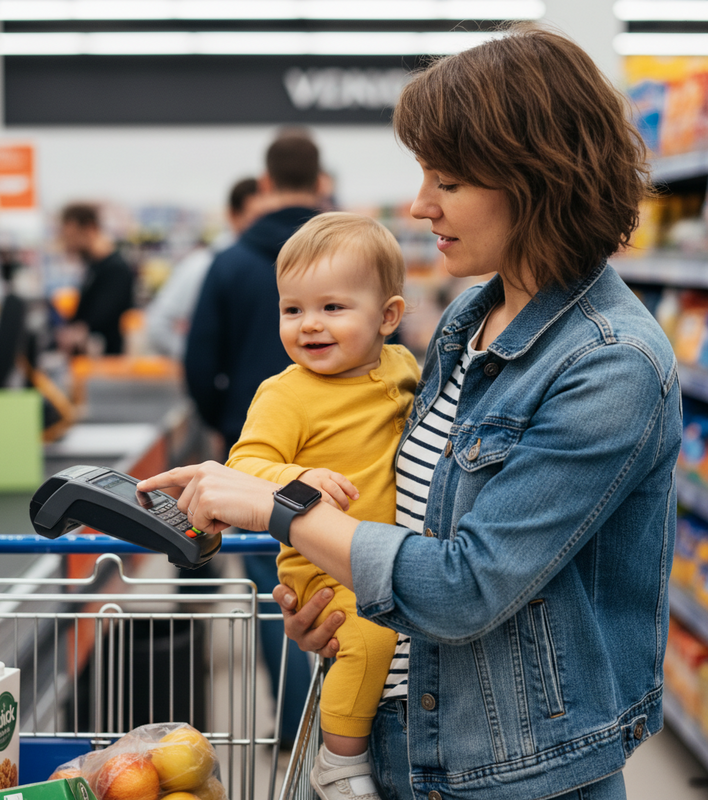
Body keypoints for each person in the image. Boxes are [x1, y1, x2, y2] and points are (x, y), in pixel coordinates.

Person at [138, 24, 682, 800]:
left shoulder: (609, 364)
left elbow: (466, 586)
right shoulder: (470, 318)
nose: (422, 204)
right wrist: (330, 600)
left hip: (517, 775)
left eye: (449, 182)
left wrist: (277, 505)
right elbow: (411, 524)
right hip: (407, 740)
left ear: (537, 178)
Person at [226, 212, 420, 800]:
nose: (309, 325)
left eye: (333, 308)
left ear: (388, 317)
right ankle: (339, 759)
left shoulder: (404, 368)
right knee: (368, 639)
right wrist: (297, 476)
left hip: (385, 554)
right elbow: (242, 468)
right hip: (322, 567)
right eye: (293, 309)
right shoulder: (286, 393)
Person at [185, 132, 325, 744]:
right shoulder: (346, 257)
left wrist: (232, 425)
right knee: (353, 584)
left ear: (265, 185)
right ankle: (348, 729)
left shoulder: (232, 261)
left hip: (254, 462)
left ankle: (301, 731)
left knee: (278, 591)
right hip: (344, 460)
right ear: (321, 182)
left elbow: (197, 362)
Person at [146, 177, 261, 362]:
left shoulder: (275, 263)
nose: (263, 225)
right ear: (233, 215)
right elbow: (158, 325)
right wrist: (202, 357)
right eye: (256, 217)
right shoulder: (202, 265)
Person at [57, 203, 134, 356]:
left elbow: (103, 317)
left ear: (90, 228)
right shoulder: (93, 266)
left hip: (108, 363)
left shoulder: (116, 268)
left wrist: (76, 332)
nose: (69, 243)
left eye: (72, 236)